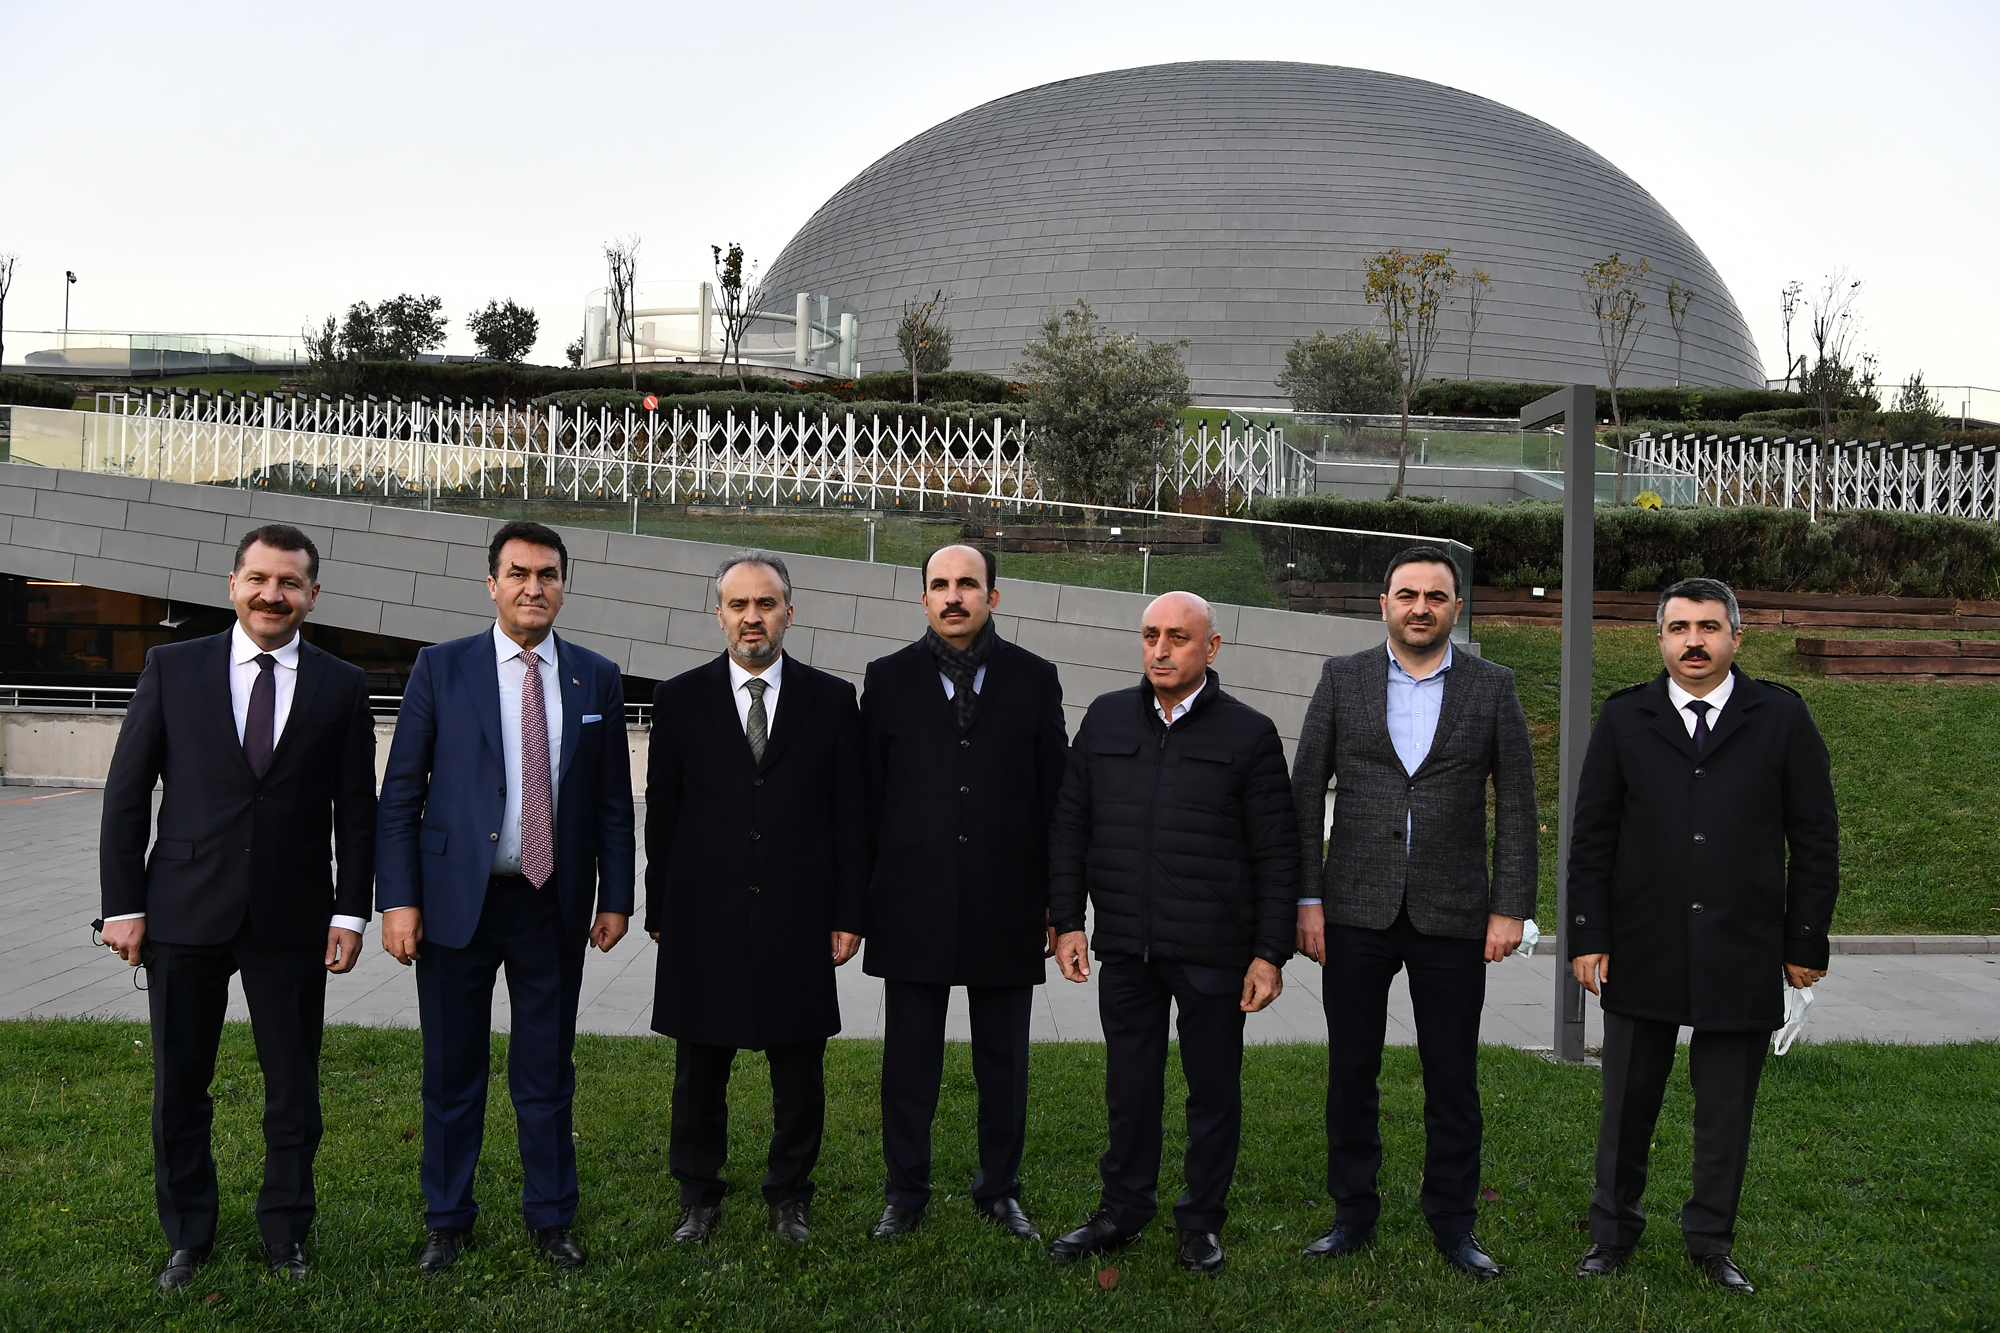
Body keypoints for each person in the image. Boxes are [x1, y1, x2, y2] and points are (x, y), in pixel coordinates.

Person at [99, 524, 376, 1290]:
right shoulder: (172, 667)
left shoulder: (342, 684)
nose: (271, 594)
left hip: (293, 917)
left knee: (293, 1091)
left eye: (288, 582)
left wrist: (350, 912)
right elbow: (126, 795)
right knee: (179, 1086)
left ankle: (286, 1233)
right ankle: (188, 1235)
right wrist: (122, 904)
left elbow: (359, 812)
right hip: (182, 910)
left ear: (312, 594)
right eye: (258, 578)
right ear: (232, 584)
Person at [375, 519, 634, 1275]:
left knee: (546, 1072)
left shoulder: (596, 676)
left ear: (564, 587)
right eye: (518, 573)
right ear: (492, 584)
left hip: (550, 901)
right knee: (452, 1071)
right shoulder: (440, 667)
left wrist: (615, 896)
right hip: (454, 903)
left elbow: (613, 802)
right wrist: (398, 899)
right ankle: (447, 1219)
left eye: (547, 574)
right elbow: (401, 794)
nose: (533, 586)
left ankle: (551, 1217)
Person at [1567, 577, 1839, 1295]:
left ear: (1736, 638)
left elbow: (1815, 837)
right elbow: (1592, 838)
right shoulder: (1625, 717)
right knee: (1626, 1106)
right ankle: (1611, 1234)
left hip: (1742, 947)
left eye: (1710, 627)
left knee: (1725, 1114)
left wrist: (1805, 942)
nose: (1695, 642)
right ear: (1660, 638)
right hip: (1642, 945)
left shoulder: (1781, 716)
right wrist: (1588, 934)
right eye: (1680, 628)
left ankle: (1711, 1242)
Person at [1291, 545, 1536, 1281]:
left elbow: (1517, 803)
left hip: (1454, 913)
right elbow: (1303, 794)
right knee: (1351, 1071)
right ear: (1384, 605)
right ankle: (1351, 1213)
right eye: (1407, 594)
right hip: (1354, 910)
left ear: (1456, 607)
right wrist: (1307, 899)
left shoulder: (1493, 686)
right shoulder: (1342, 678)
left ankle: (1454, 1223)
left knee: (1452, 1077)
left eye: (1435, 596)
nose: (1420, 607)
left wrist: (1510, 908)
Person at [1046, 591, 1297, 1276]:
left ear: (1210, 648)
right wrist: (1068, 920)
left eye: (1178, 638)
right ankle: (1122, 1209)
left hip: (1215, 950)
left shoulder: (1249, 733)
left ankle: (1201, 1221)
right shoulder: (1105, 718)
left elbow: (1278, 852)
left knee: (1212, 1091)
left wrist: (1269, 954)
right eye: (1151, 635)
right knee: (1130, 1087)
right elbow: (1070, 826)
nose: (1160, 649)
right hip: (1127, 946)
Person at [644, 552, 869, 1247]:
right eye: (738, 604)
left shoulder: (833, 700)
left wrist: (849, 912)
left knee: (798, 1071)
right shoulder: (679, 699)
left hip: (799, 913)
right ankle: (698, 1196)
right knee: (698, 1071)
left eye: (765, 604)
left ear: (788, 614)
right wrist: (660, 908)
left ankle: (789, 1195)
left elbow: (851, 817)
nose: (752, 617)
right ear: (718, 614)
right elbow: (663, 813)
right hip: (702, 913)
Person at [860, 544, 1068, 1243]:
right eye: (940, 585)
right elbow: (867, 798)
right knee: (908, 1062)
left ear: (992, 597)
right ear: (923, 598)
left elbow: (1056, 799)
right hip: (910, 900)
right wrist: (858, 901)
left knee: (1003, 1064)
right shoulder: (886, 679)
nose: (954, 596)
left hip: (1007, 901)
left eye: (968, 584)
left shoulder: (1035, 678)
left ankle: (1000, 1190)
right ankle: (905, 1192)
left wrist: (1060, 903)